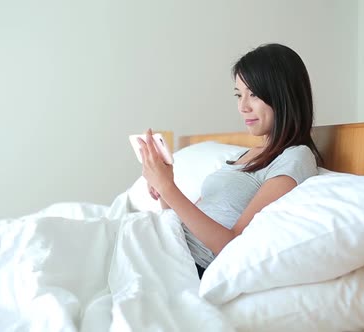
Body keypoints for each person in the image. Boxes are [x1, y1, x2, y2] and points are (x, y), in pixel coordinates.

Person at [137, 43, 323, 278]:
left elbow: (233, 245)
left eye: (253, 94)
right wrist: (164, 188)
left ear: (283, 94)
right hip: (169, 248)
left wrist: (168, 187)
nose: (243, 106)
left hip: (190, 266)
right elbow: (187, 223)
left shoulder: (295, 157)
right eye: (239, 94)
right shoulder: (242, 156)